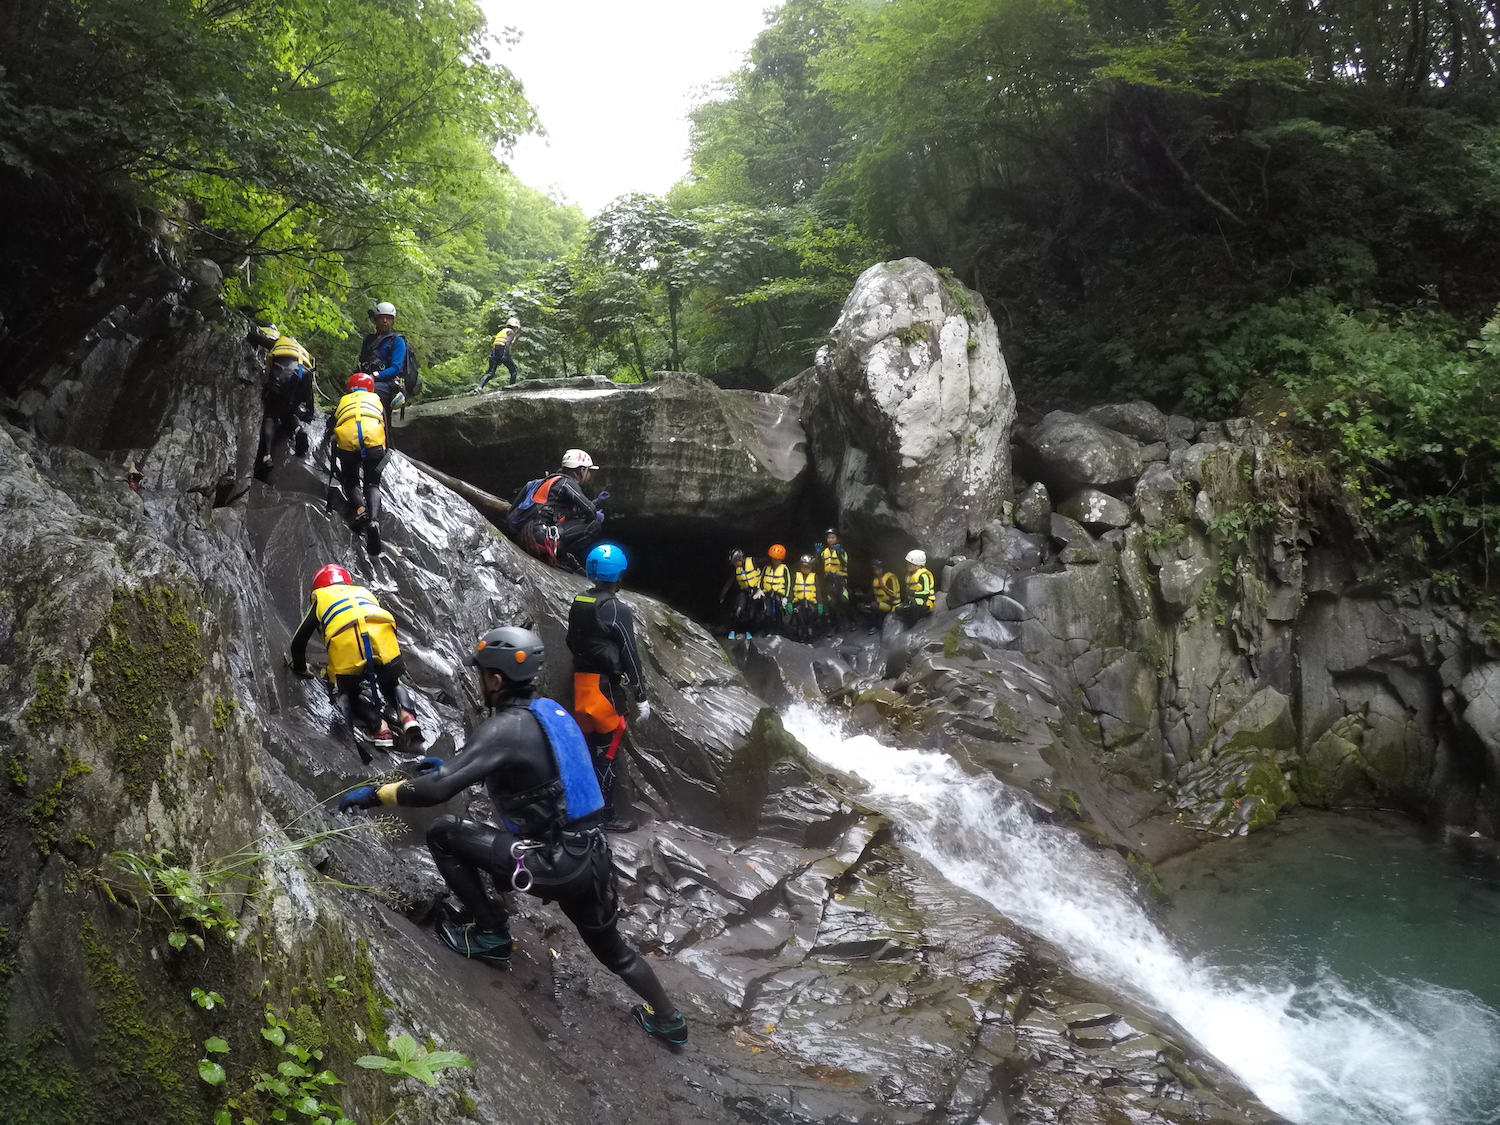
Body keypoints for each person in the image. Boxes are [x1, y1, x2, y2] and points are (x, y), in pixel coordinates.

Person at [337, 626, 689, 1046]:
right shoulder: (550, 712)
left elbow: (438, 791)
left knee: (444, 833)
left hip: (551, 861)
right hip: (591, 858)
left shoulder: (506, 727)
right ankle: (669, 1021)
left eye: (482, 673)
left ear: (497, 680)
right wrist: (450, 765)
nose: (479, 680)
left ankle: (490, 936)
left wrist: (377, 794)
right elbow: (528, 772)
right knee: (615, 951)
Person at [286, 564, 421, 762]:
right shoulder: (362, 592)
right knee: (393, 683)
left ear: (318, 587)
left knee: (347, 693)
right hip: (383, 639)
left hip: (348, 644)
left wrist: (299, 667)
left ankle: (378, 727)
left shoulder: (321, 598)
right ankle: (408, 716)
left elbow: (299, 641)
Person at [566, 544, 648, 833]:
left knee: (588, 752)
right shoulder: (616, 608)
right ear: (619, 575)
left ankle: (581, 810)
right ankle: (605, 816)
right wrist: (640, 694)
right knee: (607, 754)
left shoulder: (580, 601)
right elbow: (629, 652)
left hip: (582, 687)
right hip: (604, 690)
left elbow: (570, 641)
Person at [507, 449, 604, 570]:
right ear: (582, 470)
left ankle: (560, 555)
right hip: (540, 537)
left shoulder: (554, 480)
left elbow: (575, 511)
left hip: (530, 534)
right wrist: (596, 513)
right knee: (593, 527)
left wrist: (597, 502)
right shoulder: (566, 483)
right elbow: (589, 510)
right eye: (589, 471)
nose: (589, 476)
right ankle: (558, 555)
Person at [332, 372, 388, 555]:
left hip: (348, 443)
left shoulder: (344, 400)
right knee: (372, 484)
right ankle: (373, 520)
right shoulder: (376, 399)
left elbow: (331, 423)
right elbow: (385, 427)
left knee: (351, 482)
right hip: (373, 441)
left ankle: (360, 509)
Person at [250, 327, 315, 482]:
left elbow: (254, 337)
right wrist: (309, 413)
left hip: (283, 375)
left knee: (271, 416)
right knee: (287, 410)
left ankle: (266, 455)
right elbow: (310, 391)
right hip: (303, 376)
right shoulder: (303, 352)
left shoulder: (279, 342)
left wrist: (253, 335)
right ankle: (298, 429)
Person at [356, 302, 408, 418]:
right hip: (367, 380)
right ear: (375, 320)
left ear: (393, 321)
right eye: (381, 318)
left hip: (389, 384)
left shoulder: (397, 341)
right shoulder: (369, 340)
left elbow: (396, 368)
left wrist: (375, 376)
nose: (385, 321)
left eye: (388, 318)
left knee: (369, 393)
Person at [721, 549, 762, 639]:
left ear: (740, 559)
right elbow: (730, 581)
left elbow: (766, 562)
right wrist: (723, 595)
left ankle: (748, 631)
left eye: (735, 562)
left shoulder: (753, 561)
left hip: (755, 591)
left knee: (751, 612)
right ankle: (733, 630)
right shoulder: (736, 569)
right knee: (738, 610)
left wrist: (761, 588)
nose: (735, 565)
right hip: (743, 591)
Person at [475, 317, 521, 392]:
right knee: (514, 370)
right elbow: (507, 343)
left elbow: (497, 343)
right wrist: (505, 355)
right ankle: (511, 388)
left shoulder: (502, 331)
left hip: (494, 351)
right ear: (515, 327)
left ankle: (479, 387)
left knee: (490, 373)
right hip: (502, 350)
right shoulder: (511, 332)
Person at [815, 529, 849, 630]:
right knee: (831, 603)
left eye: (833, 537)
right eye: (828, 538)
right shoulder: (824, 552)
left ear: (837, 539)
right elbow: (819, 567)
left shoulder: (842, 551)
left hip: (841, 579)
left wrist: (838, 553)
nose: (830, 540)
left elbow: (844, 563)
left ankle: (851, 621)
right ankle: (834, 626)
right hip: (829, 580)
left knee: (845, 600)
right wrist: (817, 554)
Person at [759, 544, 790, 634]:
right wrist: (760, 589)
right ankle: (768, 631)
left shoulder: (784, 569)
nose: (775, 561)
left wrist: (786, 597)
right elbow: (761, 579)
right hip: (768, 593)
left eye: (777, 559)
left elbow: (788, 583)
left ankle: (778, 631)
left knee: (779, 611)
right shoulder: (766, 568)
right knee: (767, 612)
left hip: (779, 594)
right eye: (773, 558)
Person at [899, 549, 936, 624]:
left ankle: (916, 620)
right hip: (912, 600)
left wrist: (914, 593)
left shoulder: (923, 575)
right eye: (908, 563)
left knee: (914, 604)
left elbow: (926, 592)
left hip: (926, 602)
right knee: (898, 609)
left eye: (911, 564)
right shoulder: (909, 575)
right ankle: (911, 615)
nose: (908, 565)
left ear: (918, 565)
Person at [790, 554, 821, 643]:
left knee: (810, 622)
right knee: (800, 621)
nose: (805, 569)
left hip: (811, 603)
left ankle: (810, 639)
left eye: (807, 567)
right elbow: (792, 589)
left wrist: (820, 604)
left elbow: (818, 591)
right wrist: (789, 602)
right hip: (798, 602)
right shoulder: (796, 576)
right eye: (803, 567)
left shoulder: (814, 577)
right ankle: (800, 639)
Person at [870, 558, 901, 626]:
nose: (876, 572)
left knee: (874, 606)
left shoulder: (890, 578)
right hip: (881, 604)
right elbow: (874, 594)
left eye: (878, 569)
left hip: (891, 605)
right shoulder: (875, 580)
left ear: (883, 569)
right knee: (862, 607)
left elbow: (894, 594)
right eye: (875, 570)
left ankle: (878, 625)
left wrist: (884, 588)